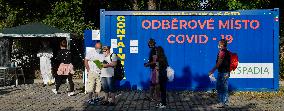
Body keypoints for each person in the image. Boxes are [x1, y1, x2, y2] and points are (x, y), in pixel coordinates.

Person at [209, 39, 231, 108]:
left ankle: (223, 103)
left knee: (223, 88)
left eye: (219, 44)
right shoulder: (227, 52)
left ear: (222, 44)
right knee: (220, 87)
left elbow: (219, 63)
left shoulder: (222, 52)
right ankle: (223, 101)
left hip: (223, 73)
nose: (218, 45)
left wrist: (212, 71)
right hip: (223, 72)